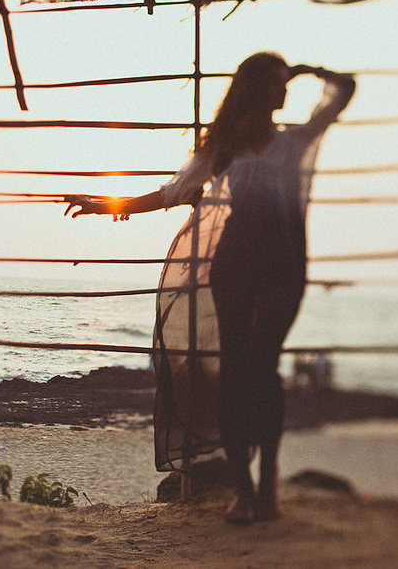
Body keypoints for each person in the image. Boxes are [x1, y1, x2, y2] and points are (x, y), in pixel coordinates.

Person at [64, 52, 355, 523]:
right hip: (236, 262)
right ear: (256, 89)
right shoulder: (224, 147)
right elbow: (169, 193)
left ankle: (268, 484)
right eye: (277, 83)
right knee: (237, 371)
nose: (284, 91)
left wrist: (308, 71)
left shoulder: (296, 141)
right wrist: (104, 205)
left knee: (265, 370)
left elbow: (345, 88)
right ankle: (243, 489)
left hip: (282, 264)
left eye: (287, 83)